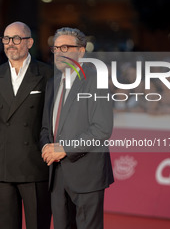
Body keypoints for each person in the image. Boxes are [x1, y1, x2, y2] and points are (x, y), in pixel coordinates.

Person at [40, 27, 114, 229]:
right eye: (56, 48)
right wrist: (47, 147)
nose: (59, 52)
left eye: (65, 47)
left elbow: (102, 128)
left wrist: (64, 148)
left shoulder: (96, 81)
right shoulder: (53, 84)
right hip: (56, 174)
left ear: (81, 51)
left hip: (87, 174)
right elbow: (46, 127)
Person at [0, 21, 53, 229]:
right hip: (3, 164)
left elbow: (51, 119)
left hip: (35, 163)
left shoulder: (48, 74)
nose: (10, 44)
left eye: (16, 38)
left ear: (29, 42)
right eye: (6, 39)